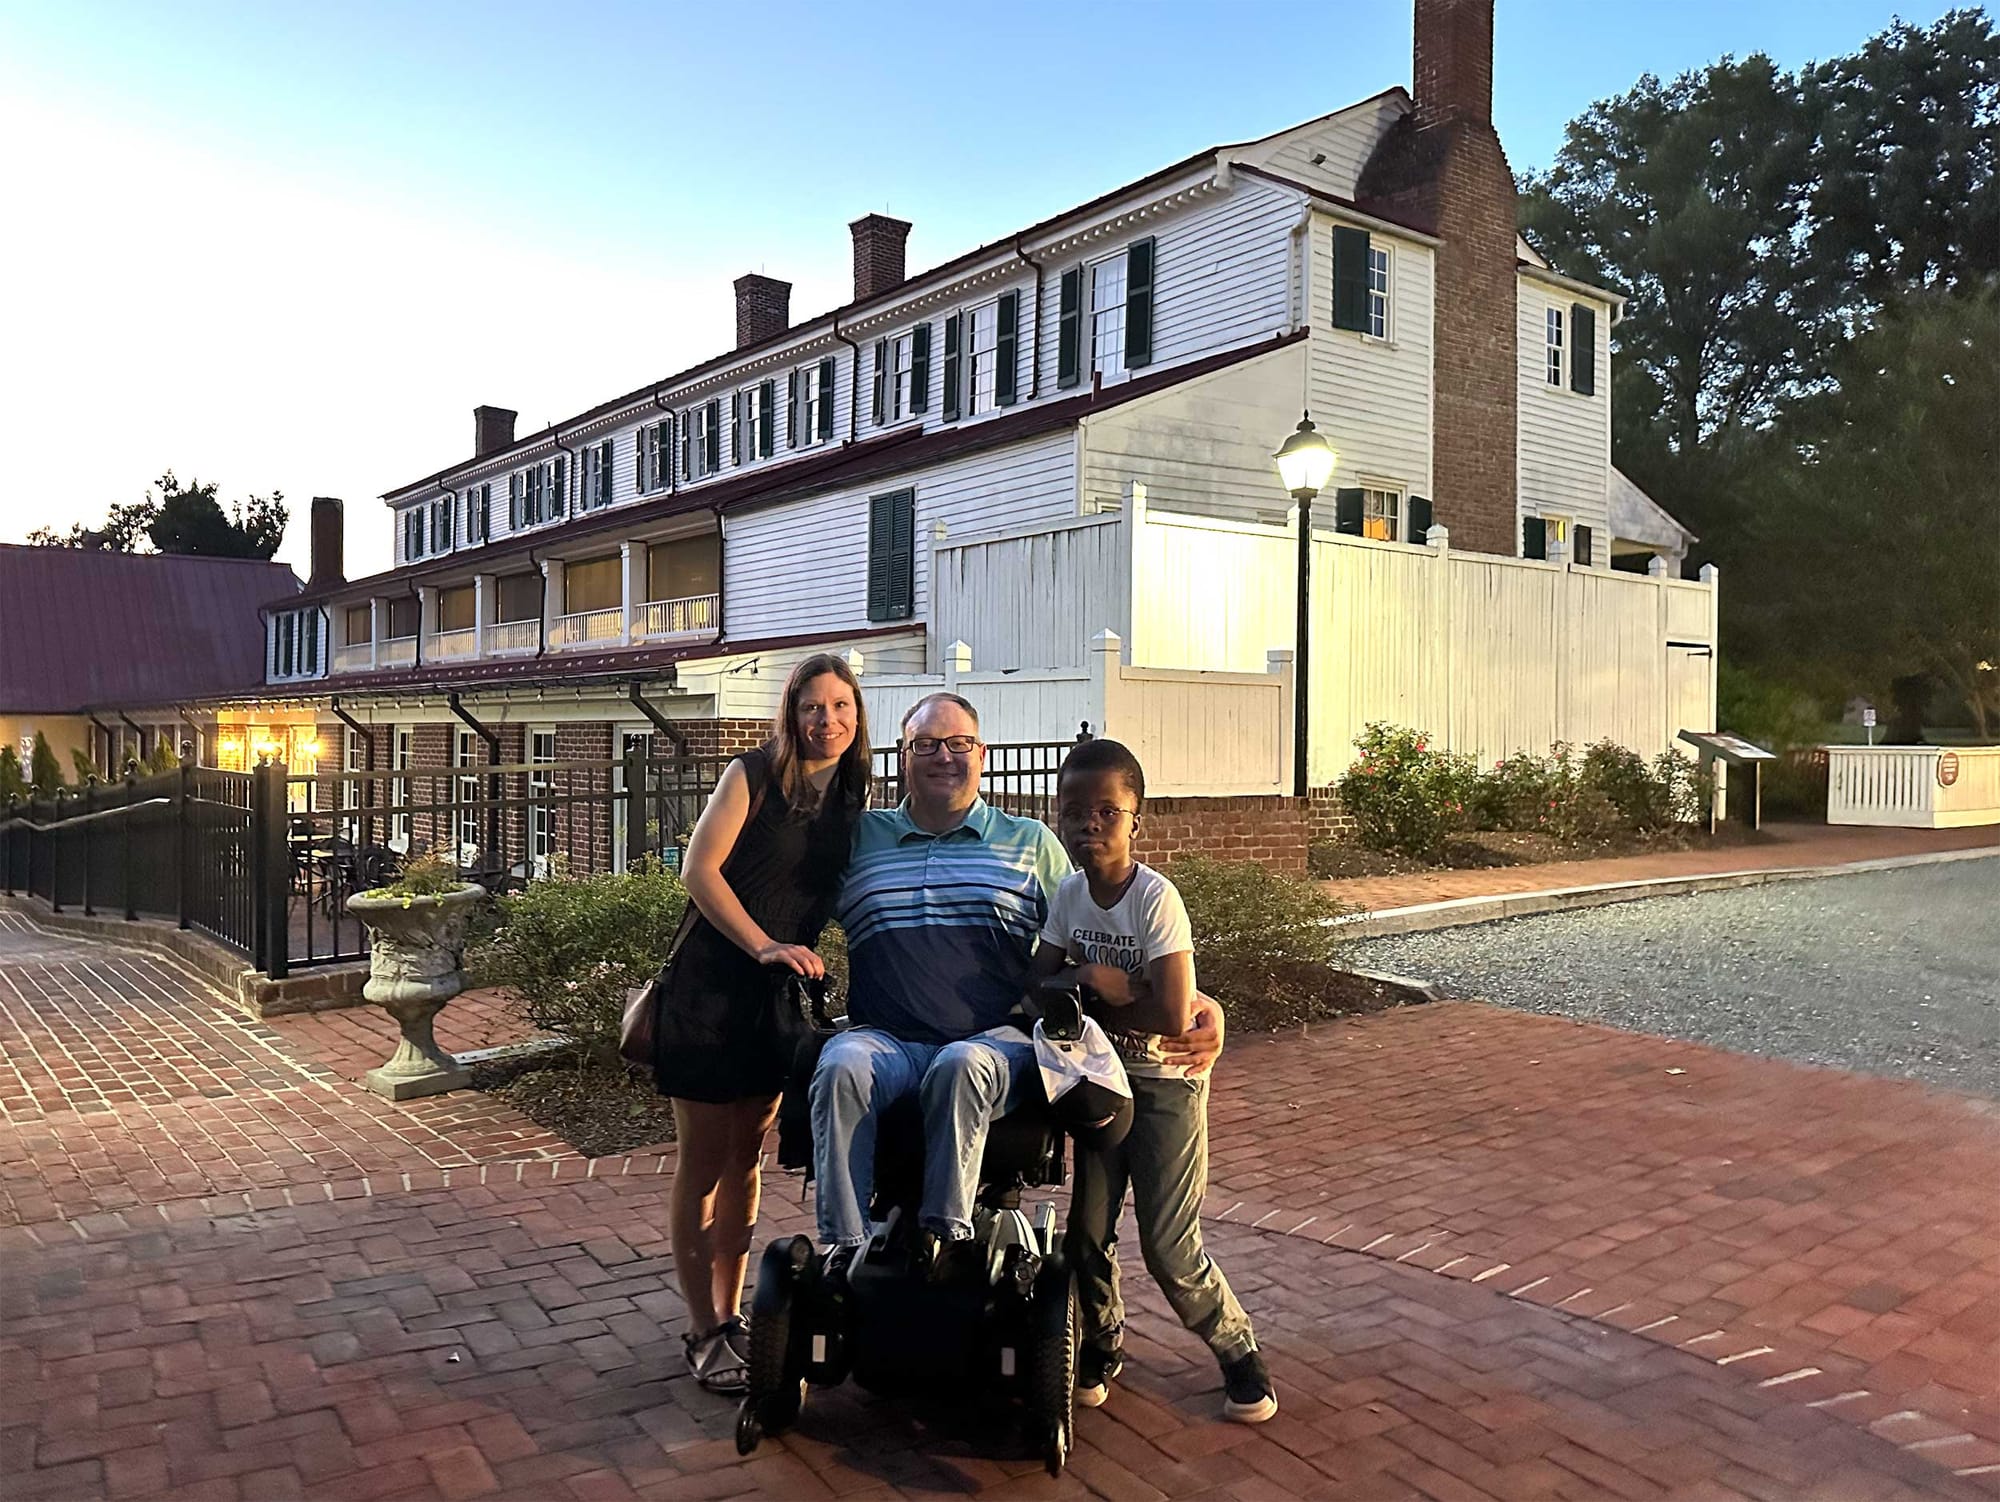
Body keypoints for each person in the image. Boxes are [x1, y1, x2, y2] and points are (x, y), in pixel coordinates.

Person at [810, 696, 1226, 1274]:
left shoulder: (1028, 842)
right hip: (887, 1040)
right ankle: (845, 1245)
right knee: (839, 1065)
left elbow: (1096, 930)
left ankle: (945, 1238)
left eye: (959, 743)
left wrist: (1199, 1002)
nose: (943, 756)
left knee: (960, 1063)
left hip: (994, 1039)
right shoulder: (861, 840)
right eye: (925, 744)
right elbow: (783, 906)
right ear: (902, 757)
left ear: (980, 754)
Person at [1038, 737, 1278, 1424]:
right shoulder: (1068, 895)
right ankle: (1102, 1340)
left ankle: (1237, 1349)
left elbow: (1173, 1014)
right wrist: (1091, 976)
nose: (1089, 824)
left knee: (1168, 1244)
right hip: (1103, 1083)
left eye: (1107, 812)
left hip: (1168, 1084)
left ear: (1135, 820)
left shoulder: (1154, 900)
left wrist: (1090, 1000)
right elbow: (1036, 984)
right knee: (1087, 1233)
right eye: (1074, 811)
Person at [654, 653, 870, 1393]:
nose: (826, 720)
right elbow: (699, 870)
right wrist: (764, 945)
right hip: (711, 990)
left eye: (840, 706)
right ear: (792, 712)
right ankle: (701, 1329)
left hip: (775, 1002)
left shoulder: (852, 794)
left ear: (857, 714)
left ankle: (730, 1312)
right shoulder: (750, 774)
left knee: (746, 1159)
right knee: (703, 1161)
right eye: (813, 706)